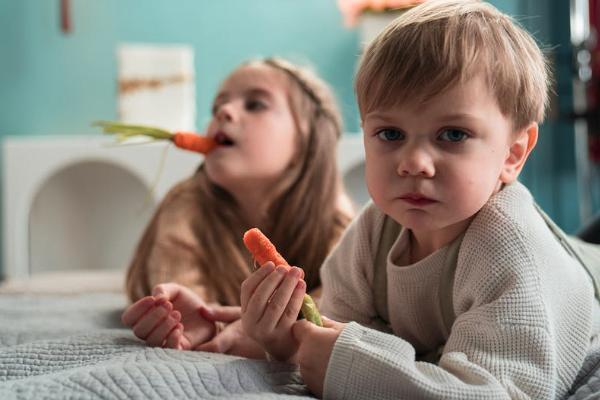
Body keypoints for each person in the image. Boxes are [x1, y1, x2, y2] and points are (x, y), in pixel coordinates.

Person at [240, 1, 600, 398]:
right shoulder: (373, 233)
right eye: (391, 134)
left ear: (512, 154)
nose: (413, 163)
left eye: (453, 135)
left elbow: (499, 393)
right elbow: (340, 338)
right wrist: (287, 341)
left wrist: (352, 369)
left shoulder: (511, 253)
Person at [121, 57, 354, 356]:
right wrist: (202, 324)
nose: (224, 112)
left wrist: (271, 332)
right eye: (216, 107)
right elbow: (186, 297)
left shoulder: (338, 219)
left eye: (255, 104)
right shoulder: (187, 205)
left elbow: (343, 309)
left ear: (306, 140)